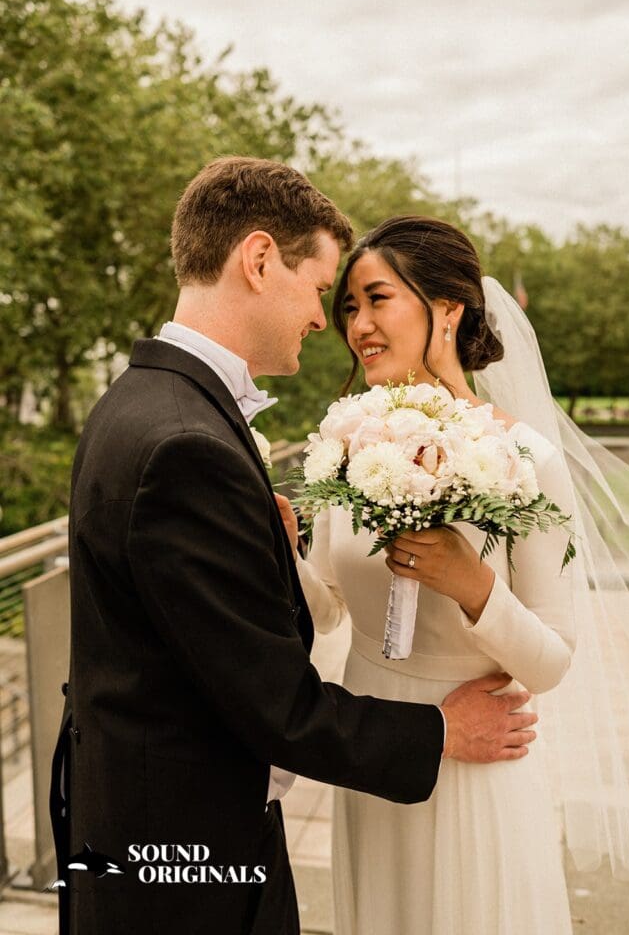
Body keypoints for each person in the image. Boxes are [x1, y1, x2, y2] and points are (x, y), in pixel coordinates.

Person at [49, 163, 539, 935]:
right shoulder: (186, 440)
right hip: (185, 859)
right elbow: (277, 704)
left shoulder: (140, 399)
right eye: (321, 290)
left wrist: (280, 559)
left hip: (149, 821)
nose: (326, 321)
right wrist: (444, 730)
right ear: (257, 260)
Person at [284, 215, 629, 935]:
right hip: (376, 749)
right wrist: (278, 551)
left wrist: (474, 587)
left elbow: (553, 658)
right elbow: (328, 608)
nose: (358, 324)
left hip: (476, 756)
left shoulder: (526, 459)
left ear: (447, 309)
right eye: (348, 306)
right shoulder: (345, 445)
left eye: (378, 299)